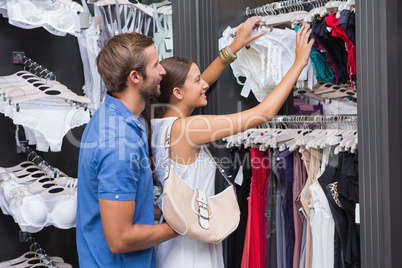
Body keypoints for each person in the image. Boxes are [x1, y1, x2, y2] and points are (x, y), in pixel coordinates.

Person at [150, 17, 314, 267]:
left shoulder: (162, 123)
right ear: (178, 93)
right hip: (191, 250)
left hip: (180, 239)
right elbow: (265, 113)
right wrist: (298, 63)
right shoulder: (188, 128)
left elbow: (204, 79)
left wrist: (234, 47)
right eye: (196, 81)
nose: (204, 84)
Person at [76, 32, 177, 267]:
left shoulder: (125, 118)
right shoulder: (119, 142)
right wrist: (181, 227)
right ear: (135, 77)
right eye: (156, 65)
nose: (163, 71)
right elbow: (120, 240)